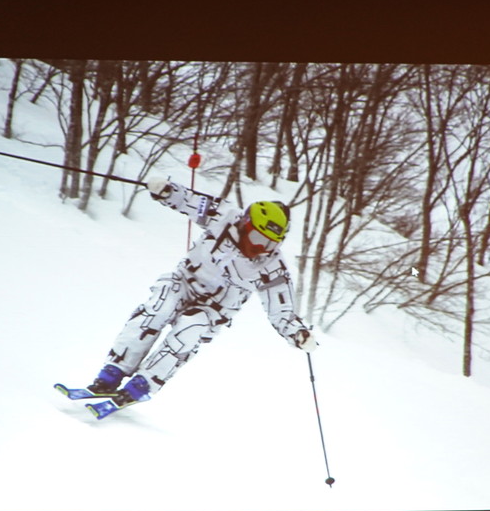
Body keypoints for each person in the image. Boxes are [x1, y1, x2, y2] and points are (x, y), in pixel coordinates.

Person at [81, 177, 316, 413]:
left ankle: (143, 384)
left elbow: (281, 310)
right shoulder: (223, 217)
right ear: (246, 223)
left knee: (190, 327)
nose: (260, 248)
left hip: (214, 309)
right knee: (161, 304)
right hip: (185, 282)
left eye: (269, 243)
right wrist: (166, 191)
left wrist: (298, 333)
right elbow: (189, 200)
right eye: (258, 237)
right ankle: (113, 371)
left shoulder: (271, 267)